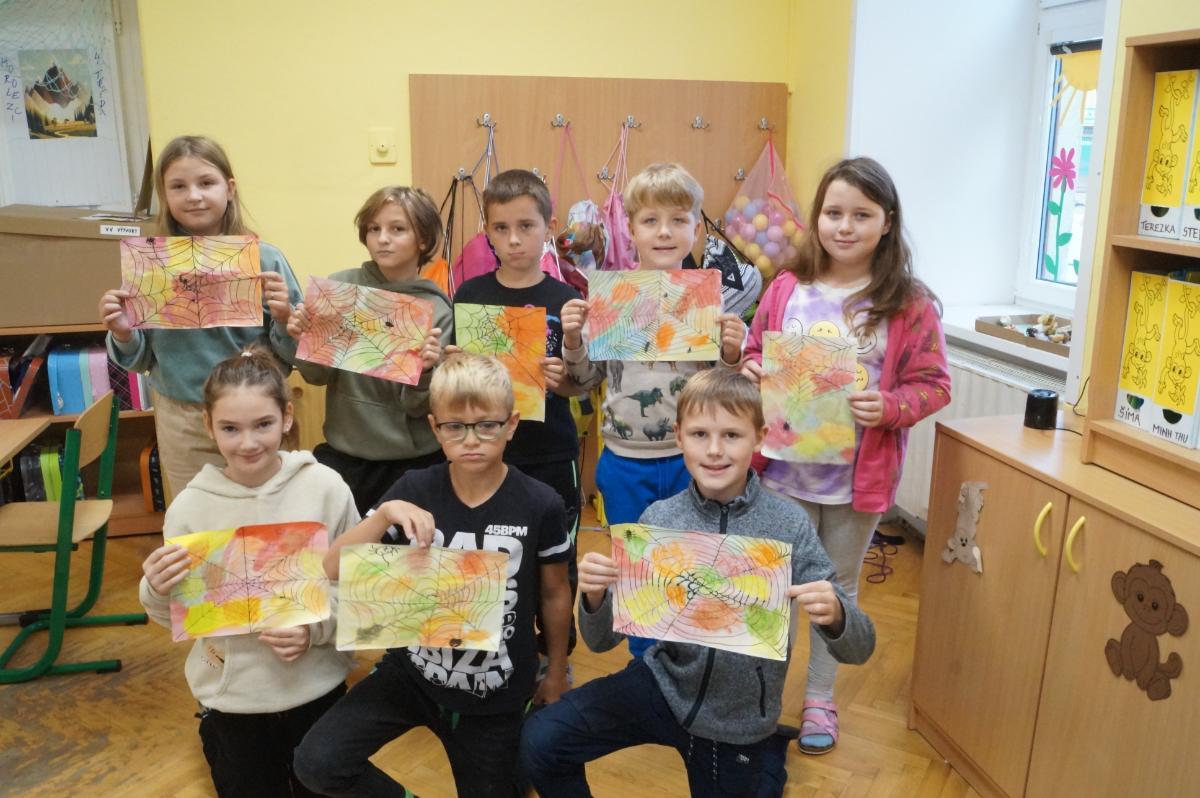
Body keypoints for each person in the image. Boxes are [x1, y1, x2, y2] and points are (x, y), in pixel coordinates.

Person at [519, 368, 876, 796]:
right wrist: (595, 598)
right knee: (542, 741)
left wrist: (836, 615)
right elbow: (600, 642)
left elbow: (860, 647)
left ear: (760, 438)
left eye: (732, 435)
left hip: (737, 719)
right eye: (700, 434)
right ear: (679, 437)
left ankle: (768, 760)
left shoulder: (788, 524)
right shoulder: (660, 517)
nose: (714, 450)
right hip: (663, 684)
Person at [742, 156, 950, 754]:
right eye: (833, 213)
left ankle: (819, 699)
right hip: (782, 471)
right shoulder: (788, 287)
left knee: (835, 591)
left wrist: (890, 406)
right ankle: (762, 697)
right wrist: (752, 367)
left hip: (857, 480)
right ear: (817, 219)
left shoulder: (909, 303)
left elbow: (935, 385)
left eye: (862, 215)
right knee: (776, 586)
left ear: (887, 223)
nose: (845, 226)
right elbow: (755, 350)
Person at [293, 353, 573, 797]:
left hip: (495, 692)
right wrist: (384, 513)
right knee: (317, 763)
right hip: (413, 673)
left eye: (487, 425)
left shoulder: (540, 503)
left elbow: (556, 594)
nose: (471, 440)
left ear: (511, 424)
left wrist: (555, 671)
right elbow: (332, 568)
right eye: (454, 426)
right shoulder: (413, 489)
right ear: (434, 427)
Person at [138, 347, 359, 797]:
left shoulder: (325, 488)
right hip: (233, 700)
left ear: (287, 417)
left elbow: (358, 592)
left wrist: (314, 629)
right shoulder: (190, 508)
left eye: (263, 424)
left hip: (318, 689)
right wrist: (156, 589)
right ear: (208, 425)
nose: (248, 443)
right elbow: (176, 616)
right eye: (230, 428)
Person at [561, 162, 748, 658]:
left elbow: (728, 392)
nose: (664, 232)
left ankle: (692, 661)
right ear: (630, 229)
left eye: (678, 220)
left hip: (696, 462)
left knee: (695, 565)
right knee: (640, 570)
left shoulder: (710, 302)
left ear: (696, 229)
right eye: (650, 220)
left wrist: (732, 354)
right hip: (626, 463)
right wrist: (574, 340)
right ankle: (646, 665)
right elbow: (584, 380)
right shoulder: (613, 298)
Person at [99, 135, 302, 503]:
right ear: (165, 195)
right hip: (184, 418)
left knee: (269, 512)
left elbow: (294, 353)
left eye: (206, 182)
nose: (193, 196)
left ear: (230, 189)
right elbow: (141, 360)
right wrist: (124, 334)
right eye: (178, 186)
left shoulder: (266, 260)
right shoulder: (151, 265)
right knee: (198, 514)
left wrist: (284, 317)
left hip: (257, 413)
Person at [453, 168, 591, 666]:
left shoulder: (567, 299)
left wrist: (562, 381)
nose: (513, 240)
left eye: (526, 226)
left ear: (548, 227)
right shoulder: (469, 296)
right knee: (488, 557)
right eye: (501, 228)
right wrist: (453, 365)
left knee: (555, 560)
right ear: (487, 231)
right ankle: (490, 653)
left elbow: (582, 385)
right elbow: (460, 385)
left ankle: (556, 658)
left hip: (550, 451)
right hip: (485, 455)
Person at [286, 186, 450, 515]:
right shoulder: (341, 287)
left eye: (397, 229)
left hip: (411, 462)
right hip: (345, 456)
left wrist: (427, 370)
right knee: (343, 544)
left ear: (423, 239)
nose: (382, 239)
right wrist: (301, 339)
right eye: (374, 229)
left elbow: (418, 407)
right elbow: (316, 376)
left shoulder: (436, 309)